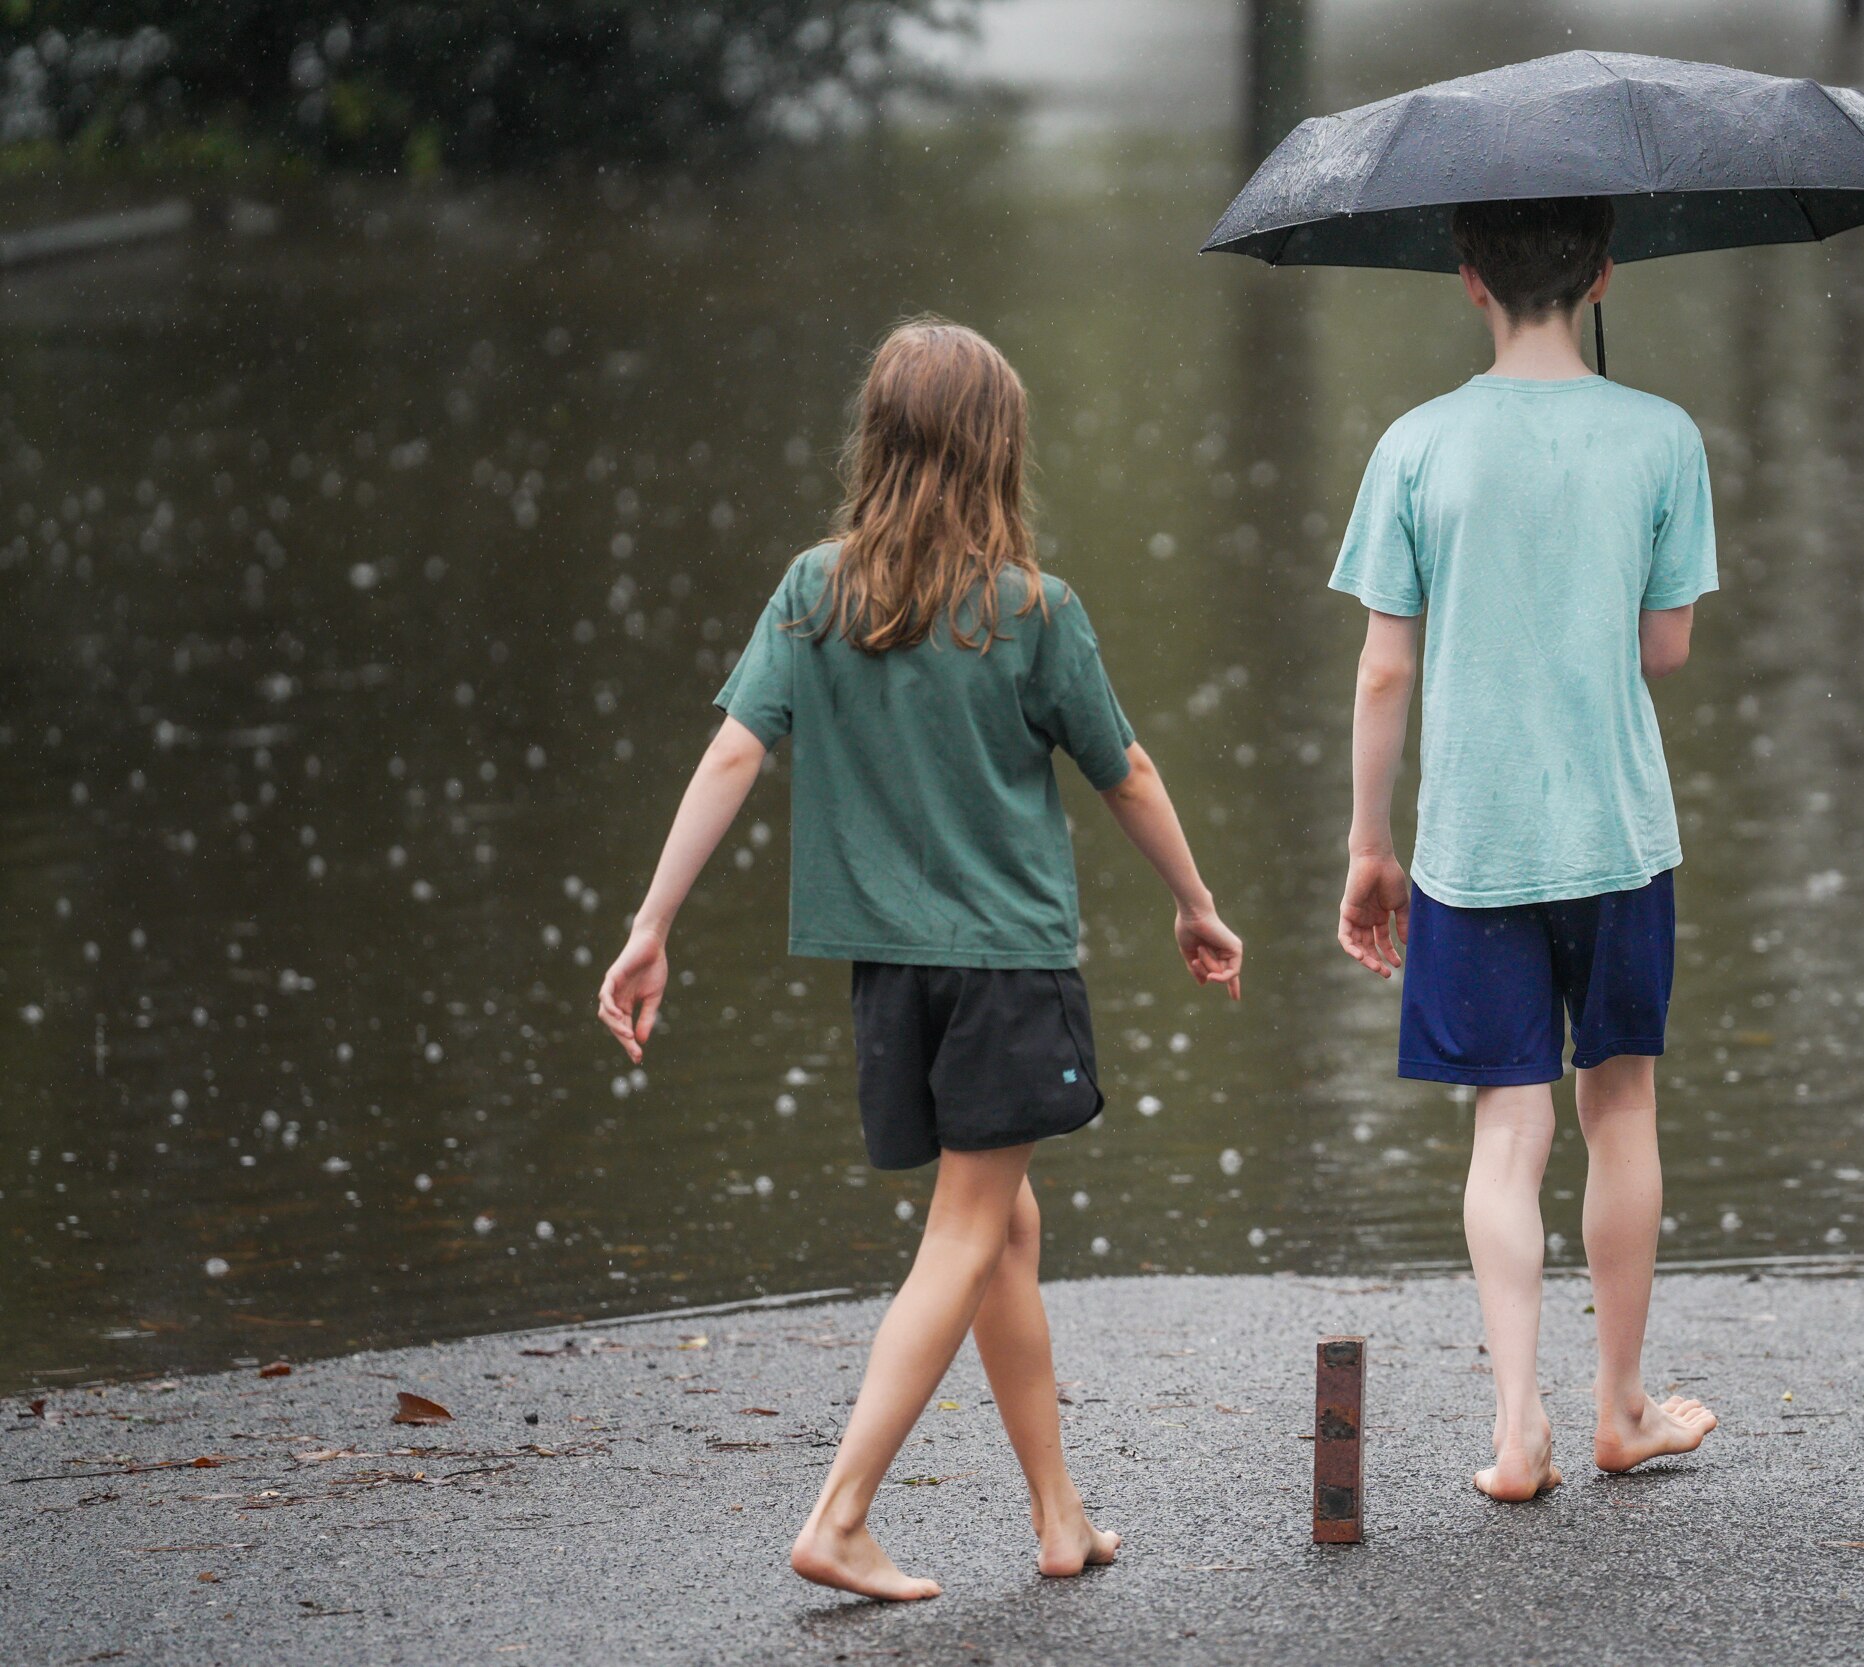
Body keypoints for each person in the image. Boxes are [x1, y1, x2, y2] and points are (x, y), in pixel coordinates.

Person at [597, 318, 1244, 1599]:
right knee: (964, 1231)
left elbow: (735, 751)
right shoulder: (1032, 611)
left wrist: (650, 922)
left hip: (890, 974)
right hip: (1005, 967)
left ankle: (1060, 1518)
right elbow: (1128, 771)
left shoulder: (813, 591)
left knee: (1005, 1224)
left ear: (878, 446)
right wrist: (1196, 902)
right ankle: (838, 1514)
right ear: (1000, 452)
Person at [1330, 197, 1718, 1501]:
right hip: (1617, 828)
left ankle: (1518, 1431)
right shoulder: (1663, 435)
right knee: (1621, 1107)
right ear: (1606, 270)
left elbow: (1386, 673)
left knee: (1509, 1127)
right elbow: (1665, 649)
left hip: (1471, 842)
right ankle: (1622, 1405)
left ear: (1468, 278)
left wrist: (1368, 843)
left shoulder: (1416, 445)